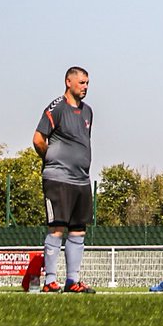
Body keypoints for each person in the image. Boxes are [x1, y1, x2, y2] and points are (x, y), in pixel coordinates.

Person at [32, 66, 95, 294]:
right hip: (58, 178)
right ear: (69, 82)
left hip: (82, 180)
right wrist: (52, 158)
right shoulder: (56, 107)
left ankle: (73, 281)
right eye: (82, 82)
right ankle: (50, 280)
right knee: (57, 227)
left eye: (88, 83)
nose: (86, 87)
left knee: (78, 230)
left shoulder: (88, 111)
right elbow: (38, 139)